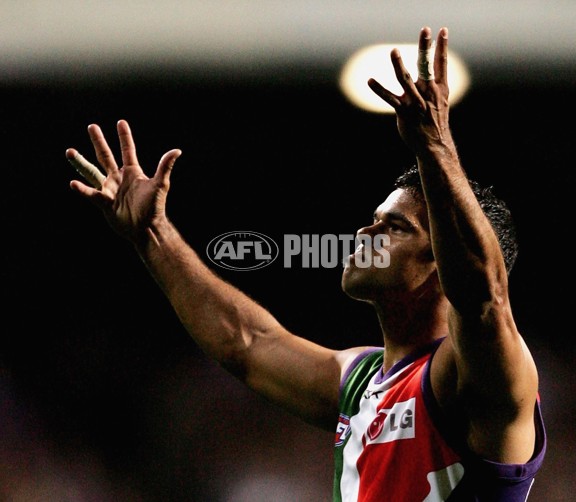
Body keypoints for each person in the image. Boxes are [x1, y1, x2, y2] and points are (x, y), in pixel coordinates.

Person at [65, 26, 546, 502]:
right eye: (373, 220)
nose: (366, 233)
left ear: (442, 260)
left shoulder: (475, 375)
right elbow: (247, 343)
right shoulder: (361, 380)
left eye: (395, 227)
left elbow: (484, 298)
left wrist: (435, 148)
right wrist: (153, 234)